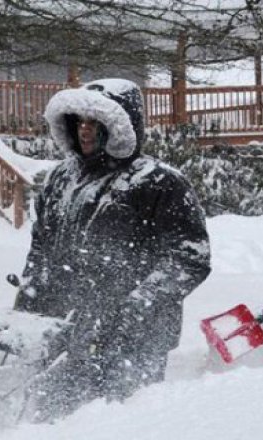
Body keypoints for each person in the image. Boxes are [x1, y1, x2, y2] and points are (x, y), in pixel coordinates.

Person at [14, 79, 211, 420]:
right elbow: (42, 244)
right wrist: (31, 292)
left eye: (94, 123)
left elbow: (189, 256)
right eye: (80, 123)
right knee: (53, 420)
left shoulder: (158, 181)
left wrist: (137, 305)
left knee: (118, 422)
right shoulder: (61, 179)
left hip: (133, 338)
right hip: (65, 325)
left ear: (118, 126)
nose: (85, 131)